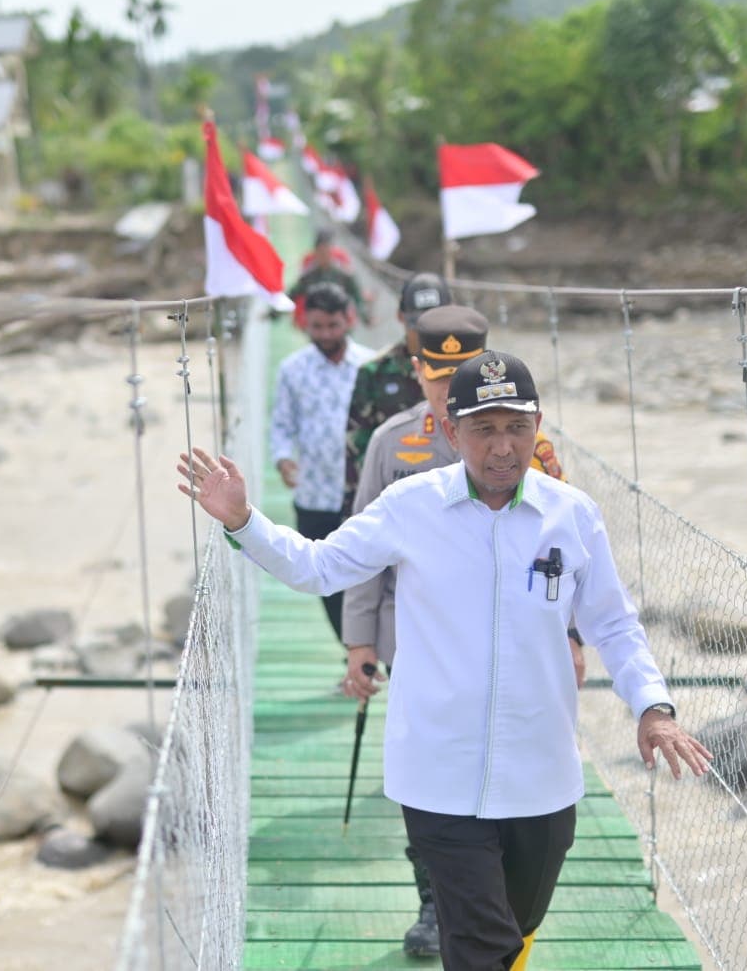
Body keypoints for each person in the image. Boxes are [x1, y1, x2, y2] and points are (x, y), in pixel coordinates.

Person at [178, 351, 712, 971]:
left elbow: (614, 624)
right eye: (484, 429)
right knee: (481, 945)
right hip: (437, 774)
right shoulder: (410, 506)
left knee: (517, 927)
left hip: (541, 776)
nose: (503, 446)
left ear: (538, 424)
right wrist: (244, 520)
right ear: (452, 431)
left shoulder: (572, 517)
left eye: (516, 426)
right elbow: (318, 566)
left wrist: (654, 707)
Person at [341, 306, 582, 959]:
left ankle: (476, 901)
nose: (444, 386)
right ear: (416, 368)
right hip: (414, 632)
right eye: (435, 373)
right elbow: (360, 549)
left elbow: (561, 555)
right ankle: (436, 896)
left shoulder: (536, 452)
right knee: (432, 766)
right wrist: (359, 641)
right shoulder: (394, 443)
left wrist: (573, 637)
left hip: (505, 634)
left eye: (458, 374)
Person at [268, 281, 376, 639]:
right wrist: (283, 459)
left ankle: (369, 650)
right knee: (325, 582)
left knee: (368, 579)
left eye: (333, 325)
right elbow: (281, 422)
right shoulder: (292, 370)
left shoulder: (371, 367)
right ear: (304, 324)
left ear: (349, 319)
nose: (326, 334)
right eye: (317, 326)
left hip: (363, 494)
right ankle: (352, 653)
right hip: (313, 494)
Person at [341, 272, 454, 515]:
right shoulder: (374, 373)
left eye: (436, 321)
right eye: (418, 323)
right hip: (395, 503)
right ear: (401, 317)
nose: (427, 332)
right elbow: (355, 450)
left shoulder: (469, 370)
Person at [284, 229, 367, 329]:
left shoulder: (343, 275)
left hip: (339, 325)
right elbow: (293, 294)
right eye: (320, 252)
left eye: (326, 251)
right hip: (318, 325)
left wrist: (365, 317)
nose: (323, 255)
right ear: (315, 252)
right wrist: (273, 313)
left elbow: (357, 296)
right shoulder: (309, 276)